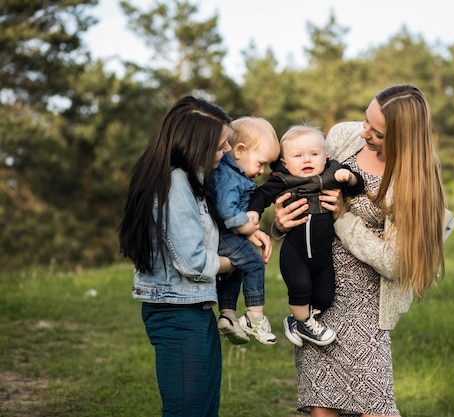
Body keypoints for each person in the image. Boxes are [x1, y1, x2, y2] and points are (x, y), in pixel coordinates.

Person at [272, 85, 454, 416]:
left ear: (403, 139)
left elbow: (395, 262)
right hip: (319, 291)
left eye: (378, 132)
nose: (365, 132)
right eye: (366, 120)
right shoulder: (344, 136)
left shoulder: (416, 181)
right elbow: (298, 180)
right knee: (322, 405)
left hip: (368, 305)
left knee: (375, 407)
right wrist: (281, 223)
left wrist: (342, 218)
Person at [118, 96, 271, 417]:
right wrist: (241, 261)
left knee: (204, 408)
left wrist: (249, 232)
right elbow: (192, 261)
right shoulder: (174, 185)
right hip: (176, 313)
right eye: (219, 146)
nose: (228, 151)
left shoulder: (192, 180)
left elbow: (216, 226)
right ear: (192, 146)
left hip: (194, 307)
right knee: (187, 410)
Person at [247, 124, 364, 347]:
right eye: (298, 156)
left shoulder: (332, 174)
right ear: (285, 163)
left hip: (323, 255)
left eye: (314, 154)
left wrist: (349, 178)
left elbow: (358, 186)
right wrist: (253, 211)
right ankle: (303, 321)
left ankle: (297, 320)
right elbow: (261, 195)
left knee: (325, 297)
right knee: (300, 287)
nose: (306, 160)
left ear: (326, 156)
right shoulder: (283, 179)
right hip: (295, 252)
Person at [210, 116, 280, 346]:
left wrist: (248, 232)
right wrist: (246, 225)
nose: (261, 170)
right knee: (253, 263)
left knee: (237, 269)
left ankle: (228, 314)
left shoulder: (233, 173)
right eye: (261, 163)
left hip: (226, 235)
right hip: (223, 235)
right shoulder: (228, 176)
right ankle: (255, 318)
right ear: (239, 151)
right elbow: (225, 208)